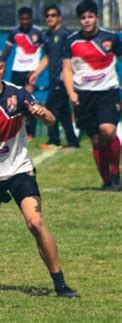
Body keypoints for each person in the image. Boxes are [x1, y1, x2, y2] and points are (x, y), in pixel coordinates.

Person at [0, 46, 80, 298]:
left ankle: (60, 284)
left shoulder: (18, 95)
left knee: (36, 222)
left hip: (18, 170)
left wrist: (44, 115)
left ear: (0, 69)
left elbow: (51, 119)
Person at [62, 1, 121, 191]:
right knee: (96, 140)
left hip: (107, 92)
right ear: (79, 20)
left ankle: (115, 173)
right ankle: (106, 181)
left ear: (97, 17)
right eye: (83, 17)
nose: (87, 21)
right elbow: (67, 69)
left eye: (90, 16)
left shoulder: (110, 38)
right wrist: (71, 93)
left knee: (108, 131)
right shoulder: (72, 41)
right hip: (84, 96)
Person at [29, 4, 80, 150]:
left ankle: (53, 140)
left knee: (50, 107)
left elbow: (73, 57)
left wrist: (73, 76)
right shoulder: (48, 36)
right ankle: (72, 142)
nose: (49, 18)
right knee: (63, 112)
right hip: (53, 79)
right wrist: (36, 73)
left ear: (59, 17)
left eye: (53, 15)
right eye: (47, 16)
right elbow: (47, 57)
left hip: (62, 79)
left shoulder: (65, 35)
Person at [1, 6, 44, 139]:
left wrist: (37, 70)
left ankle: (31, 132)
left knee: (29, 100)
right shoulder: (14, 33)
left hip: (31, 72)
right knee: (14, 100)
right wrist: (1, 62)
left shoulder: (39, 32)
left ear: (31, 18)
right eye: (22, 19)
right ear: (19, 19)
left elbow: (47, 52)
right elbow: (6, 52)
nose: (24, 21)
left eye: (27, 19)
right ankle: (15, 130)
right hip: (17, 71)